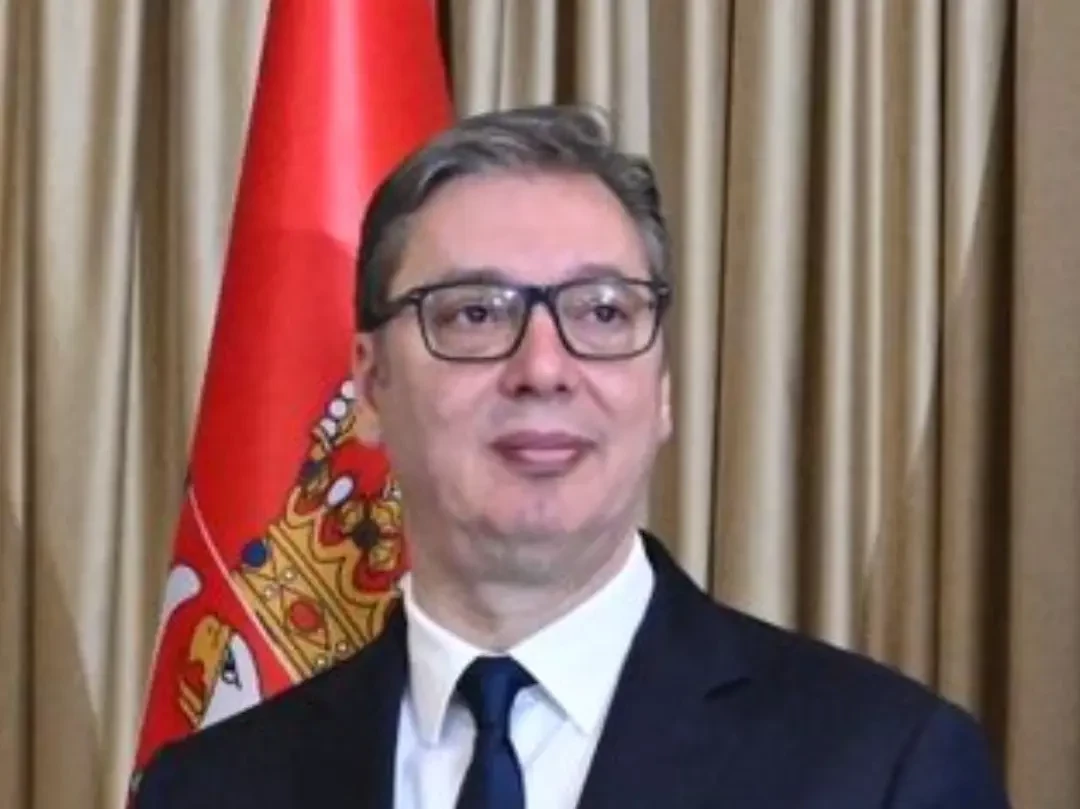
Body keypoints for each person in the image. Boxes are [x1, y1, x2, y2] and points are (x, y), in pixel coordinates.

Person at [134, 104, 1011, 808]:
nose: (544, 367)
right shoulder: (211, 788)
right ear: (369, 387)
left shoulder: (883, 767)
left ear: (661, 387)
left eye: (602, 312)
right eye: (474, 313)